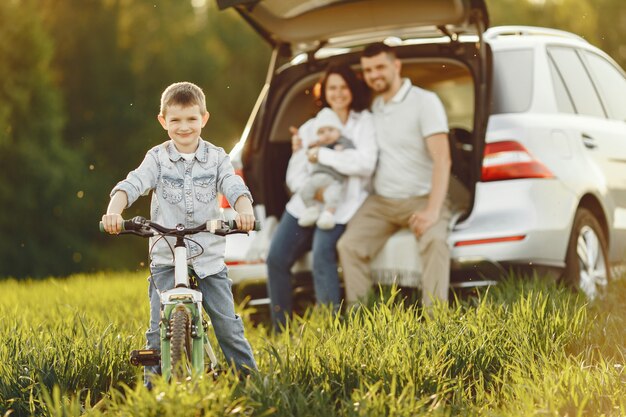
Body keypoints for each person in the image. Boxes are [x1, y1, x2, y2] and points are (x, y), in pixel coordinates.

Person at [101, 81, 257, 387]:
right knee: (157, 328)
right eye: (175, 120)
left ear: (204, 118)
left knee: (227, 324)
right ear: (163, 121)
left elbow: (233, 185)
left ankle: (250, 383)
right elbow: (132, 184)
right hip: (165, 255)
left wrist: (244, 210)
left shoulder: (217, 157)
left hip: (207, 257)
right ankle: (153, 391)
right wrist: (114, 211)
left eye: (191, 119)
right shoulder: (156, 158)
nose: (184, 127)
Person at [337, 42, 452, 309]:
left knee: (435, 240)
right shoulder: (373, 108)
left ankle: (437, 325)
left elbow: (442, 159)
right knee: (348, 245)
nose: (374, 74)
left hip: (423, 197)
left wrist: (433, 211)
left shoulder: (425, 102)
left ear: (396, 65)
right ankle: (362, 322)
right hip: (382, 202)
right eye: (368, 70)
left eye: (380, 67)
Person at [265, 65, 377, 331]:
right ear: (324, 92)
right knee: (276, 258)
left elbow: (365, 164)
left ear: (352, 90)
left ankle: (330, 329)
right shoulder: (309, 128)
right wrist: (313, 189)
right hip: (306, 203)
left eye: (343, 87)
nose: (338, 93)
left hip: (342, 205)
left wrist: (321, 156)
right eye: (332, 88)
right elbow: (295, 172)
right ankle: (281, 329)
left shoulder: (364, 123)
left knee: (322, 255)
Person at [297, 107, 356, 230]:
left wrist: (342, 149)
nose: (327, 134)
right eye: (322, 132)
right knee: (305, 191)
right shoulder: (317, 144)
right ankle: (312, 209)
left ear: (338, 131)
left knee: (333, 196)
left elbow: (350, 153)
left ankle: (328, 215)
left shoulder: (342, 141)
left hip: (334, 179)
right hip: (317, 177)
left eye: (331, 130)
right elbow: (307, 155)